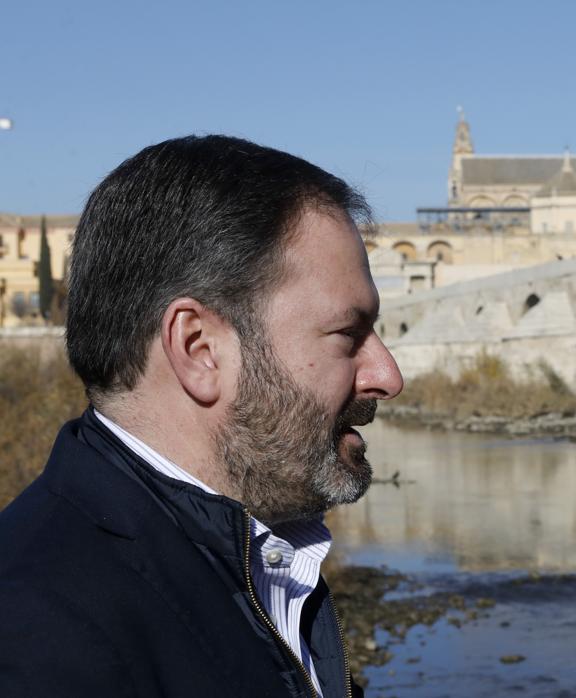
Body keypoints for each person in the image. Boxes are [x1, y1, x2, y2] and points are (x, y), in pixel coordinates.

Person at [0, 135, 402, 696]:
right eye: (347, 333)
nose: (387, 375)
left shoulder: (258, 561)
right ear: (199, 349)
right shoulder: (39, 641)